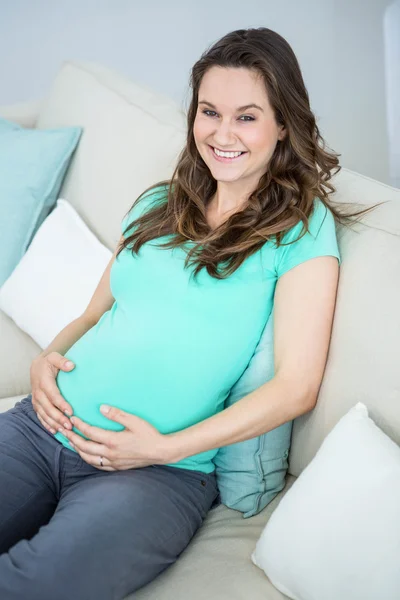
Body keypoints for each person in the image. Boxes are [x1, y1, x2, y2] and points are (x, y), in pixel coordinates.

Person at [0, 27, 378, 600]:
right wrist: (46, 360)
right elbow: (93, 313)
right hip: (41, 426)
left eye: (247, 116)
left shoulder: (300, 230)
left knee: (35, 585)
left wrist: (164, 449)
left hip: (156, 472)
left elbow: (297, 386)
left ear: (284, 124)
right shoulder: (159, 202)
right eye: (209, 112)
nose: (223, 133)